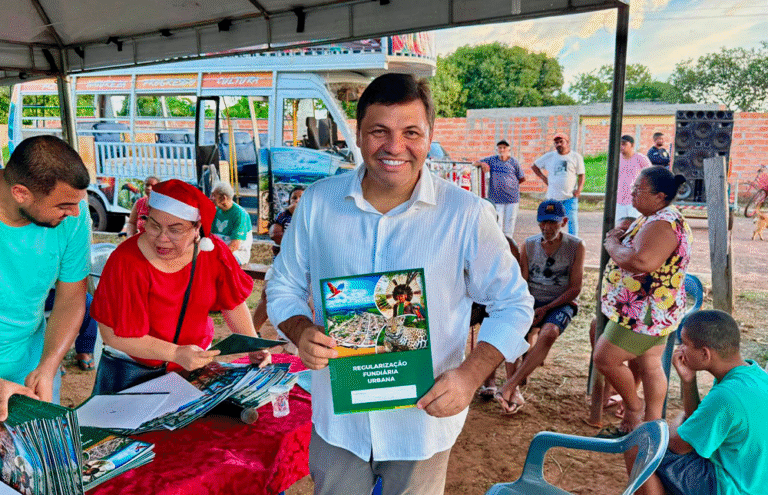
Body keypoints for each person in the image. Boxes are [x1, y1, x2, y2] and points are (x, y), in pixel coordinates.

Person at [266, 73, 533, 495]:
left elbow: (514, 303)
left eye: (411, 132)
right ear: (357, 134)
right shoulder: (318, 202)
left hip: (421, 423)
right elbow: (283, 286)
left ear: (430, 136)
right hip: (340, 419)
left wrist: (469, 375)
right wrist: (301, 331)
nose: (394, 147)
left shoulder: (466, 213)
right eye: (379, 132)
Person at [91, 179, 269, 375]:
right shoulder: (125, 260)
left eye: (175, 230)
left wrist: (253, 344)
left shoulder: (214, 252)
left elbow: (232, 302)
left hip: (193, 362)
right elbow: (112, 334)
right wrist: (175, 353)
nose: (162, 238)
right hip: (135, 369)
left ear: (196, 228)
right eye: (154, 225)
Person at [594, 167, 692, 434]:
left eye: (639, 189)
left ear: (660, 196)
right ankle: (650, 424)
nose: (632, 193)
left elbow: (641, 262)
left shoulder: (663, 222)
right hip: (652, 309)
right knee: (650, 363)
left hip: (643, 311)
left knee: (605, 359)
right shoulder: (653, 217)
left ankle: (634, 408)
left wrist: (612, 243)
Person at [0, 135, 92, 421]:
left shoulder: (74, 215)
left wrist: (49, 364)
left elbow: (70, 298)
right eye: (64, 205)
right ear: (20, 192)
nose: (75, 212)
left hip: (29, 361)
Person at [645, 310, 768, 495]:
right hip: (755, 483)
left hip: (733, 487)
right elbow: (699, 425)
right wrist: (688, 381)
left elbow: (677, 445)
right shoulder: (754, 375)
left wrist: (679, 419)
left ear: (704, 353)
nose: (681, 350)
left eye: (685, 343)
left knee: (642, 447)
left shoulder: (726, 396)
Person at [495, 200, 585, 414]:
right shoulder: (529, 244)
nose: (547, 228)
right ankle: (513, 389)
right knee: (513, 329)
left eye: (552, 223)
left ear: (563, 222)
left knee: (549, 333)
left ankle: (511, 385)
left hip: (560, 301)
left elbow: (575, 288)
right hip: (532, 300)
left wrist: (546, 308)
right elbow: (523, 282)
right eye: (542, 223)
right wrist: (526, 305)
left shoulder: (576, 246)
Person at [251, 185, 304, 333]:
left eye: (301, 197)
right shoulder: (282, 216)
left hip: (302, 268)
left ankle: (289, 343)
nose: (297, 200)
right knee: (267, 293)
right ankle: (252, 333)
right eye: (294, 197)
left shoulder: (310, 217)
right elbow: (275, 235)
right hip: (281, 264)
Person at [531, 132, 585, 236]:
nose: (559, 144)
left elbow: (581, 175)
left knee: (572, 221)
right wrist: (543, 177)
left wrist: (579, 189)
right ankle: (553, 241)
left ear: (567, 142)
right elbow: (534, 166)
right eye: (556, 143)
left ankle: (574, 243)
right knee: (551, 221)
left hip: (570, 197)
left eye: (561, 142)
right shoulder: (550, 156)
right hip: (553, 198)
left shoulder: (576, 157)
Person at [473, 140, 526, 237]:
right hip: (496, 198)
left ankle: (509, 243)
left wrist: (511, 186)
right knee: (498, 223)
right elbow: (474, 163)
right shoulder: (492, 160)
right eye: (500, 147)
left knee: (510, 224)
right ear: (497, 149)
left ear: (509, 149)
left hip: (512, 198)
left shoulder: (514, 162)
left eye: (504, 148)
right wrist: (482, 164)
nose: (502, 150)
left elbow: (522, 178)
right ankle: (499, 245)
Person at [43, 289, 98, 371]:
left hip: (60, 290)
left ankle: (84, 349)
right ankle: (50, 360)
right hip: (35, 294)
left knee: (89, 301)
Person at [210, 181, 253, 266]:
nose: (210, 198)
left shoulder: (240, 214)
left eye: (214, 195)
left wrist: (215, 257)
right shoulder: (216, 211)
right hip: (219, 252)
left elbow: (234, 246)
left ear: (223, 198)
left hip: (237, 254)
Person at [616, 135, 651, 225]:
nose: (621, 147)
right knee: (620, 226)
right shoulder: (616, 159)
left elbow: (651, 176)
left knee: (636, 226)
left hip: (636, 200)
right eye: (619, 144)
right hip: (620, 200)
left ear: (632, 145)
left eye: (624, 144)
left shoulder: (640, 158)